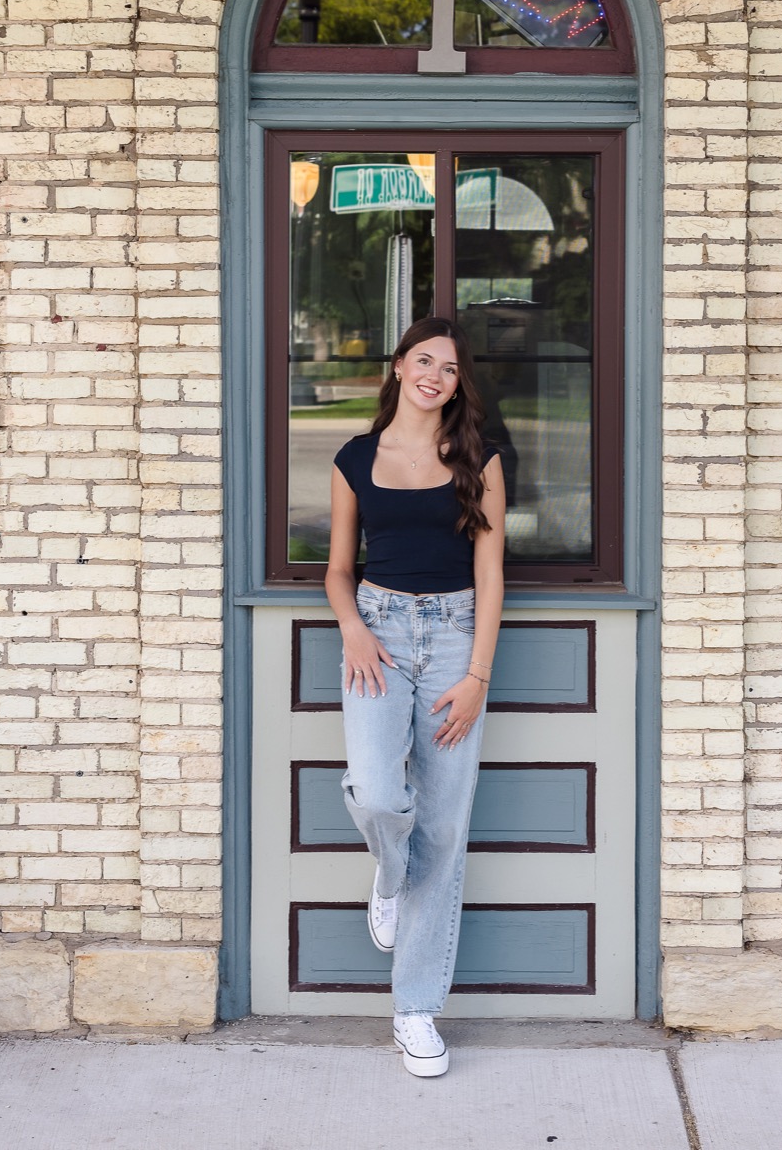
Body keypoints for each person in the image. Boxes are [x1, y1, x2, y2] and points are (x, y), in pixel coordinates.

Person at [325, 316, 505, 1078]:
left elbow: (493, 573)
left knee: (443, 824)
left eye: (451, 368)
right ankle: (390, 873)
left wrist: (477, 678)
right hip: (378, 632)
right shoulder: (355, 457)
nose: (436, 374)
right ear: (398, 367)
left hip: (457, 638)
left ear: (458, 385)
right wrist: (354, 630)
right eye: (424, 359)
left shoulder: (478, 458)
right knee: (375, 792)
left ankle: (416, 1011)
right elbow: (336, 567)